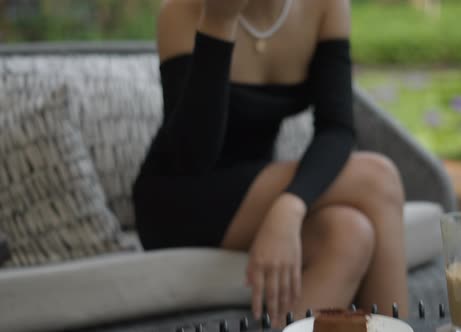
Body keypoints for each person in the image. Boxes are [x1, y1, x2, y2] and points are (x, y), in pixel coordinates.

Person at [132, 0, 409, 325]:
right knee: (378, 179)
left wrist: (289, 207)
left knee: (350, 235)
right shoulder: (182, 12)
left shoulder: (325, 7)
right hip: (181, 198)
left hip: (259, 191)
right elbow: (193, 156)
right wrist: (219, 24)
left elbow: (336, 130)